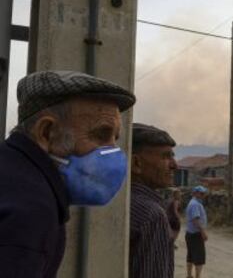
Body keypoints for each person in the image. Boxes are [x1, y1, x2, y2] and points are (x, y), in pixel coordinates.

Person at [0, 70, 136, 278]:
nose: (113, 152)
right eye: (101, 135)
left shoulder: (11, 171)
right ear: (46, 132)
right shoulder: (32, 209)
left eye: (115, 138)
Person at [129, 123, 178, 278]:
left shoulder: (120, 202)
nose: (174, 165)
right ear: (137, 163)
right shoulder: (152, 215)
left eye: (173, 156)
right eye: (165, 156)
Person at [185, 185, 209, 278]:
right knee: (199, 257)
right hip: (196, 234)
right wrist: (203, 232)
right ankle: (197, 276)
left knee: (190, 255)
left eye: (204, 193)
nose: (203, 195)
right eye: (201, 193)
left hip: (190, 233)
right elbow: (196, 219)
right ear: (195, 193)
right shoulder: (195, 204)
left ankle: (189, 275)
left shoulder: (192, 202)